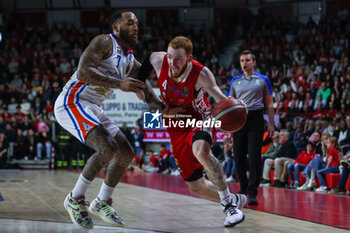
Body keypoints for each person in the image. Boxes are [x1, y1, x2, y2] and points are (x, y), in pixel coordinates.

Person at [54, 10, 161, 230]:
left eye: (137, 24)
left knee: (126, 152)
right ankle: (74, 198)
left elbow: (148, 92)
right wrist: (119, 84)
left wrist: (168, 109)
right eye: (130, 23)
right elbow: (83, 71)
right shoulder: (104, 42)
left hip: (93, 106)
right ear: (115, 27)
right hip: (73, 101)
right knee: (107, 147)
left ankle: (102, 201)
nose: (135, 27)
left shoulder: (130, 59)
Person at [137, 36, 246, 227]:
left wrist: (236, 106)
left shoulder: (201, 74)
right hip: (175, 126)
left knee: (201, 152)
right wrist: (141, 86)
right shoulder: (158, 60)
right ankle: (233, 198)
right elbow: (146, 61)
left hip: (198, 120)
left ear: (189, 57)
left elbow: (222, 100)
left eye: (178, 58)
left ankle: (229, 206)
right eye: (170, 57)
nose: (173, 62)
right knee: (195, 187)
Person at [228, 50, 275, 205]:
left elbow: (269, 103)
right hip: (239, 119)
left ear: (254, 62)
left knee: (254, 156)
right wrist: (228, 125)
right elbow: (230, 104)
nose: (244, 63)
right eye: (242, 60)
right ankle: (243, 188)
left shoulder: (263, 80)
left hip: (256, 118)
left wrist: (271, 124)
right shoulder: (235, 81)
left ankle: (253, 192)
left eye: (247, 60)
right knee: (238, 157)